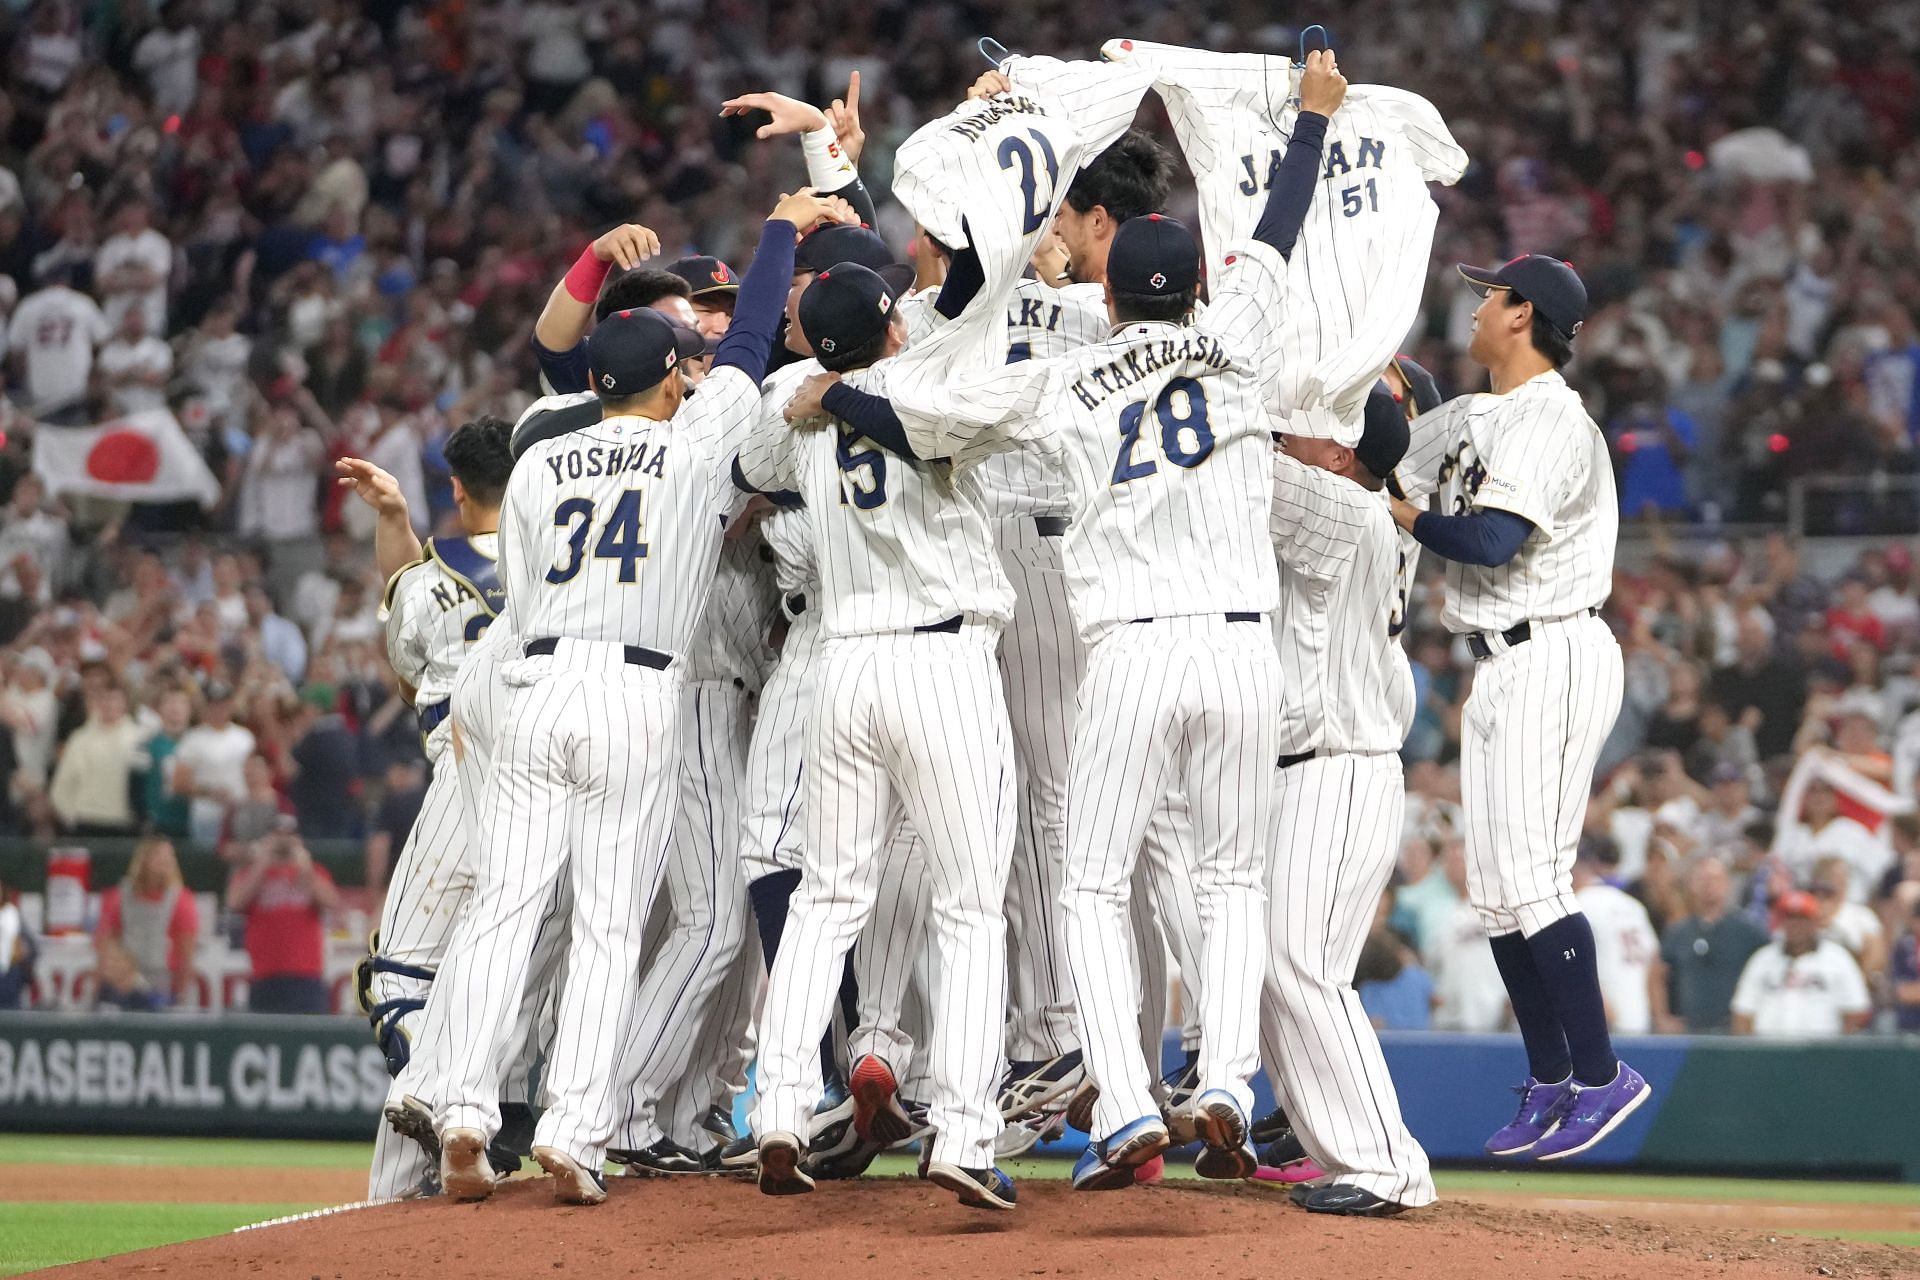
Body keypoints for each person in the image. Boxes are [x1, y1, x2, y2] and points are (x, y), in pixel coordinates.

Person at [390, 187, 833, 1209]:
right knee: (605, 921)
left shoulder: (541, 456)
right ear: (673, 378)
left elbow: (527, 584)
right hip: (635, 689)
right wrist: (779, 229)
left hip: (537, 676)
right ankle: (576, 1127)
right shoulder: (690, 443)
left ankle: (464, 1108)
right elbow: (757, 330)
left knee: (508, 903)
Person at [1387, 252, 1647, 1160]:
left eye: (1489, 295)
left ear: (1523, 313)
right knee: (1496, 894)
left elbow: (1493, 540)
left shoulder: (1549, 420)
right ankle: (1549, 1078)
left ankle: (1605, 1075)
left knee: (1534, 878)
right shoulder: (1475, 414)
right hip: (1496, 661)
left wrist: (1404, 515)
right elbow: (1385, 444)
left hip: (1555, 648)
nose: (1474, 308)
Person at [341, 415, 515, 1202]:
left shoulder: (428, 576)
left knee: (398, 978)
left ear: (456, 488)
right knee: (506, 980)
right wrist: (395, 524)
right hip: (561, 776)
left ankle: (450, 1109)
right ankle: (478, 1123)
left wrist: (397, 528)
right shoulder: (557, 560)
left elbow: (410, 674)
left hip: (466, 773)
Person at [227, 820, 342, 1015]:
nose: (283, 841)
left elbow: (331, 901)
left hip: (306, 975)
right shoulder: (251, 873)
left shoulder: (313, 872)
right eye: (277, 835)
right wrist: (262, 863)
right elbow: (235, 902)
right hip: (265, 975)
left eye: (289, 835)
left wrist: (304, 867)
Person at [1729, 891, 1872, 1036]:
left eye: (1802, 918)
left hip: (1822, 1051)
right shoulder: (1762, 959)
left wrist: (1837, 1053)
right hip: (1770, 1050)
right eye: (1790, 918)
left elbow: (1856, 1011)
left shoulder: (1837, 958)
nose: (1796, 925)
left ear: (1815, 922)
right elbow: (1742, 1013)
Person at [1658, 856, 1770, 1033]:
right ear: (1691, 885)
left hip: (1732, 1032)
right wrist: (1662, 1017)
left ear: (1727, 884)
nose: (1708, 885)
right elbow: (1657, 972)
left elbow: (1770, 966)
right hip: (1690, 1030)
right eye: (1702, 879)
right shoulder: (1679, 932)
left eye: (1715, 879)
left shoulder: (1748, 930)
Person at [93, 836, 198, 1011]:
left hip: (160, 984)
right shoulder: (120, 898)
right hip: (123, 983)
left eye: (169, 856)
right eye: (159, 856)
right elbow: (106, 944)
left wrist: (180, 999)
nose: (165, 861)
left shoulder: (181, 901)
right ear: (144, 860)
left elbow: (187, 956)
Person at [1571, 851, 1660, 1035]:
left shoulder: (1579, 904)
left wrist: (1599, 1007)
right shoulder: (1632, 904)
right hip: (1639, 1018)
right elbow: (1654, 961)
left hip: (1604, 1023)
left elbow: (1574, 964)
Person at [47, 682, 144, 835]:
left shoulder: (139, 738)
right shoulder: (79, 738)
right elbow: (61, 786)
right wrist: (73, 818)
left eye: (115, 699)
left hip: (125, 824)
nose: (110, 704)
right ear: (96, 702)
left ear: (125, 703)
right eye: (105, 699)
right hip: (85, 822)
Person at [1775, 777, 1892, 904]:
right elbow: (1776, 869)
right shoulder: (1792, 833)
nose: (1819, 797)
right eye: (1813, 791)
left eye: (1825, 792)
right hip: (1799, 908)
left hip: (1848, 906)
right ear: (1804, 798)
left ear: (1836, 799)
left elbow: (1880, 870)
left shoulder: (1852, 830)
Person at [173, 682, 256, 847]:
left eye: (223, 704)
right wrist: (209, 792)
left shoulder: (244, 738)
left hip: (239, 812)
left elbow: (255, 775)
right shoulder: (193, 739)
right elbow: (179, 782)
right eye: (214, 705)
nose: (219, 710)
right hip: (207, 814)